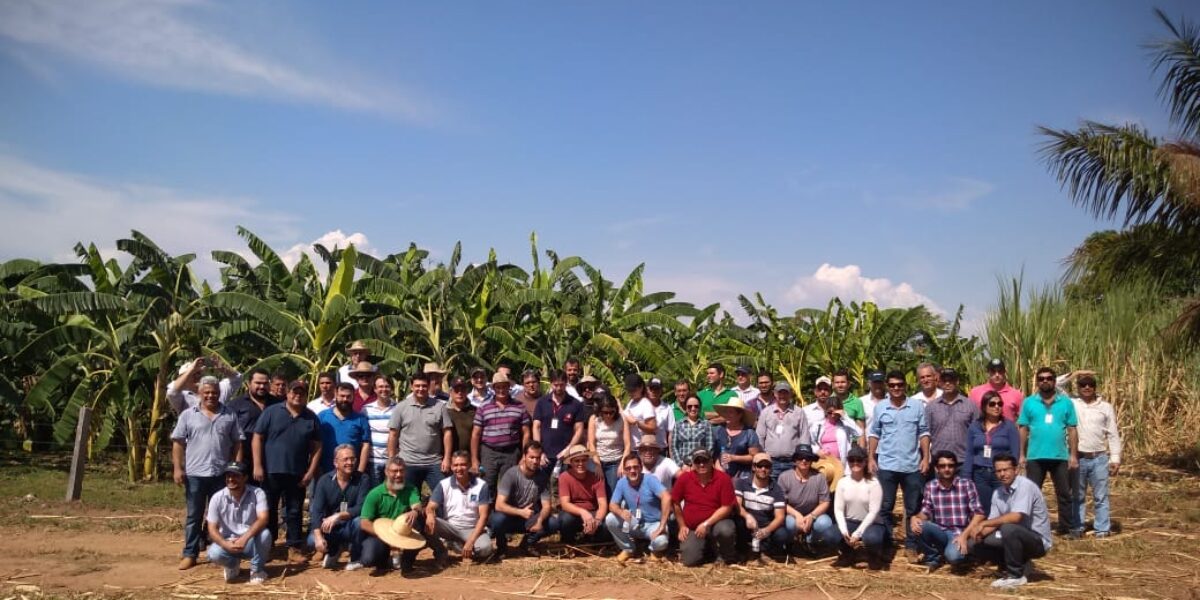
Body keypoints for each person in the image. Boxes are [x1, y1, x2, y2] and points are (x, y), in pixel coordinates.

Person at [172, 376, 243, 570]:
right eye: (207, 392)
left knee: (220, 516)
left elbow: (237, 442)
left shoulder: (229, 414)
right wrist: (178, 468)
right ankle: (190, 553)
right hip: (195, 474)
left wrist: (236, 467)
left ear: (219, 394)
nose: (211, 396)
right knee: (194, 516)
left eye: (214, 392)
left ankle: (218, 551)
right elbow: (178, 442)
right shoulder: (188, 415)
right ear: (200, 393)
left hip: (220, 474)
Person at [252, 380, 321, 564]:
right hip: (271, 471)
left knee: (294, 511)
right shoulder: (271, 412)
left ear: (306, 396)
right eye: (294, 392)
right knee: (269, 510)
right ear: (288, 393)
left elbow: (317, 447)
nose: (297, 395)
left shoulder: (311, 417)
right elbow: (257, 437)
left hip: (297, 473)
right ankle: (268, 546)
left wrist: (310, 472)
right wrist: (257, 465)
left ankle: (294, 547)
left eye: (301, 393)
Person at [867, 370, 930, 555]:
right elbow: (874, 434)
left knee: (913, 507)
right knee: (885, 506)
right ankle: (887, 544)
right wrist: (871, 457)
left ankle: (911, 545)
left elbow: (924, 433)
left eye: (900, 385)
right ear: (887, 386)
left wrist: (926, 457)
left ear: (905, 386)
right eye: (892, 385)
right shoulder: (881, 407)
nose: (896, 388)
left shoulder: (916, 406)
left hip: (912, 465)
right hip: (887, 464)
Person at [971, 453, 1053, 589]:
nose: (1002, 474)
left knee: (1008, 528)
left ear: (1016, 470)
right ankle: (1013, 565)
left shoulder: (1025, 486)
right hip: (1015, 536)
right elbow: (994, 522)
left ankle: (1015, 575)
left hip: (1037, 541)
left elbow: (1016, 517)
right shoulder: (998, 493)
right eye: (998, 471)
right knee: (976, 543)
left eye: (1006, 470)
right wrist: (978, 534)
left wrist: (983, 523)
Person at [1017, 367, 1080, 537]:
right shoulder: (1029, 402)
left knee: (1064, 493)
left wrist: (1073, 455)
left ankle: (1066, 527)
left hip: (1059, 456)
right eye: (1041, 378)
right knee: (1032, 493)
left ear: (1054, 381)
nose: (1045, 381)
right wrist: (1021, 454)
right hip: (1035, 456)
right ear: (1037, 382)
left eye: (1049, 378)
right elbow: (1023, 428)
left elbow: (1072, 429)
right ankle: (1030, 527)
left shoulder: (1066, 403)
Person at [911, 451, 985, 568]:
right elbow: (925, 511)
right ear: (936, 469)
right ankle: (932, 557)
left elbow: (979, 514)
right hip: (940, 531)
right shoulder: (931, 486)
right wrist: (915, 518)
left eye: (950, 466)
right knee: (918, 525)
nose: (947, 469)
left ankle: (953, 552)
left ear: (955, 468)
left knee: (954, 558)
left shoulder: (966, 485)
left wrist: (965, 535)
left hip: (959, 532)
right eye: (942, 466)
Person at [1069, 372, 1121, 538]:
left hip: (1099, 457)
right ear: (1077, 387)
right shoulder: (1072, 403)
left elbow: (1112, 434)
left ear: (1095, 387)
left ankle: (1102, 529)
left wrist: (1115, 458)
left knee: (1101, 496)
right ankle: (1077, 527)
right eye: (1082, 384)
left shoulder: (1105, 407)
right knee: (1077, 495)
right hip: (1078, 457)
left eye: (1090, 384)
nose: (1087, 387)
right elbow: (1055, 385)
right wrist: (1076, 374)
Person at [358, 456, 427, 574]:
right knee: (369, 559)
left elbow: (417, 505)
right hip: (380, 535)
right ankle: (384, 562)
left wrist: (415, 511)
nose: (398, 475)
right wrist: (387, 536)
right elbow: (364, 523)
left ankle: (407, 563)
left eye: (401, 471)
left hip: (401, 530)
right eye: (394, 471)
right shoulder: (375, 494)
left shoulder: (411, 489)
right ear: (386, 472)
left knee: (419, 520)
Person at [205, 461, 271, 584]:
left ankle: (257, 570)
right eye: (228, 476)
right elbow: (212, 528)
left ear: (245, 478)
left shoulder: (257, 493)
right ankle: (232, 565)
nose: (231, 479)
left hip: (250, 541)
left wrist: (244, 538)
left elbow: (263, 518)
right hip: (228, 541)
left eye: (236, 476)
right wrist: (225, 544)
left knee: (265, 535)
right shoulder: (216, 498)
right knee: (213, 554)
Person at [490, 442, 560, 557]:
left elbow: (547, 506)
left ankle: (528, 543)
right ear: (524, 456)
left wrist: (539, 520)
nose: (535, 461)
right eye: (531, 457)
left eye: (538, 458)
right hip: (510, 517)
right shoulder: (511, 474)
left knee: (553, 523)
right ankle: (502, 547)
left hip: (529, 518)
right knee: (497, 520)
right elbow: (499, 505)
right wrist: (520, 512)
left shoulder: (542, 477)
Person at [471, 372, 532, 504]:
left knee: (508, 486)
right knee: (487, 485)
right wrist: (474, 459)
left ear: (508, 387)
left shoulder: (519, 406)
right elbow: (476, 434)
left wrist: (524, 455)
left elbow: (526, 432)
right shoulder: (484, 407)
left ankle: (505, 513)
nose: (501, 390)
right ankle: (487, 513)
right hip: (489, 452)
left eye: (504, 387)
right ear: (493, 388)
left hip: (511, 452)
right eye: (498, 387)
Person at [388, 372, 453, 492]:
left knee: (444, 493)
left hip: (434, 462)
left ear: (428, 386)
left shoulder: (439, 407)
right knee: (408, 498)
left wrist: (447, 458)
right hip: (408, 462)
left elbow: (447, 432)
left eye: (424, 386)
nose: (420, 389)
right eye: (417, 386)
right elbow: (393, 434)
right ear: (411, 386)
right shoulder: (401, 407)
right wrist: (392, 459)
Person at [672, 448, 738, 567]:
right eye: (698, 461)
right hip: (693, 528)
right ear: (693, 464)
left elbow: (727, 507)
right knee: (690, 561)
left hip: (716, 524)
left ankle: (726, 556)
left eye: (705, 461)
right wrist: (682, 525)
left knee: (726, 530)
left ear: (711, 461)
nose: (701, 464)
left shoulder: (723, 478)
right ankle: (708, 549)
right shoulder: (685, 478)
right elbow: (675, 502)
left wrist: (706, 524)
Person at [425, 450, 493, 563]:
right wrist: (430, 514)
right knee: (426, 522)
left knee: (486, 549)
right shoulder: (444, 484)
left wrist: (471, 541)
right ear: (451, 467)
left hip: (472, 528)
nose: (459, 468)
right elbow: (430, 506)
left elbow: (484, 517)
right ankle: (441, 550)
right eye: (455, 465)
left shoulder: (481, 485)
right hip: (450, 527)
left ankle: (459, 545)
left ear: (469, 465)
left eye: (463, 464)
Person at [308, 444, 370, 569]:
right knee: (311, 540)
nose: (350, 463)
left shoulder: (363, 479)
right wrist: (318, 537)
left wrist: (338, 515)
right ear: (336, 462)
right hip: (330, 527)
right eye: (345, 459)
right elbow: (317, 511)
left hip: (350, 525)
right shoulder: (324, 481)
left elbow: (361, 507)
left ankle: (355, 558)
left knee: (359, 522)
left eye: (352, 459)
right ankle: (333, 551)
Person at [964, 390, 1022, 516]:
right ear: (984, 406)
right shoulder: (974, 427)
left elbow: (1015, 451)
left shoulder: (1009, 426)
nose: (997, 407)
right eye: (992, 404)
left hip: (1001, 473)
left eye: (999, 404)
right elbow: (969, 453)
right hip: (980, 474)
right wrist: (966, 476)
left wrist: (1013, 471)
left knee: (1002, 507)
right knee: (983, 508)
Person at [605, 453, 672, 562]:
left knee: (661, 542)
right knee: (610, 519)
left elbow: (667, 497)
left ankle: (653, 550)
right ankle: (628, 549)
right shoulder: (622, 483)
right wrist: (621, 512)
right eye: (628, 468)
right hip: (634, 521)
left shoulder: (650, 480)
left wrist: (662, 525)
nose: (632, 471)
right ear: (624, 471)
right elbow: (612, 505)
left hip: (653, 524)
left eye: (635, 467)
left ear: (641, 468)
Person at [778, 445, 840, 555]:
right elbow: (781, 503)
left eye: (807, 458)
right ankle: (790, 543)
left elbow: (825, 502)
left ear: (812, 461)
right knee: (789, 523)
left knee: (825, 523)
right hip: (792, 514)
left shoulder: (819, 477)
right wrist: (797, 515)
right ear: (795, 460)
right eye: (800, 457)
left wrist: (811, 516)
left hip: (813, 514)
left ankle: (810, 541)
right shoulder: (784, 477)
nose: (804, 460)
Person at [833, 446, 887, 569]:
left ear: (865, 462)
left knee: (872, 538)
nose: (855, 463)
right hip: (850, 521)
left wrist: (858, 533)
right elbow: (838, 509)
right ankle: (848, 553)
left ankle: (874, 556)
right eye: (851, 460)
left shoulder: (873, 483)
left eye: (859, 460)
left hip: (873, 523)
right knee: (829, 536)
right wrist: (844, 531)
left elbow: (874, 512)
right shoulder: (842, 482)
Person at [532, 369, 587, 484]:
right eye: (555, 385)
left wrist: (568, 449)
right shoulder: (542, 402)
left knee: (564, 487)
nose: (558, 388)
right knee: (541, 486)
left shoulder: (576, 404)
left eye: (561, 385)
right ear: (551, 383)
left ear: (566, 383)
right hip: (544, 454)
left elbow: (579, 430)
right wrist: (539, 451)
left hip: (566, 455)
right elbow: (536, 426)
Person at [227, 368, 280, 484]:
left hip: (272, 461)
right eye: (258, 383)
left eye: (265, 383)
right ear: (249, 383)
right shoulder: (236, 405)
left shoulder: (278, 404)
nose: (262, 386)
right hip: (245, 459)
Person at [925, 367, 979, 478]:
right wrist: (926, 458)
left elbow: (978, 433)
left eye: (951, 380)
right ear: (939, 383)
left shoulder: (970, 405)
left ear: (957, 381)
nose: (948, 383)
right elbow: (925, 434)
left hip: (964, 461)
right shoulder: (931, 407)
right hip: (940, 462)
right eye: (944, 380)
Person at [735, 452, 787, 562]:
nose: (763, 469)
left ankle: (769, 551)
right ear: (753, 467)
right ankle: (743, 550)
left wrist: (766, 531)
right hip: (747, 524)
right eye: (760, 466)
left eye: (767, 466)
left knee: (782, 534)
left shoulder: (776, 489)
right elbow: (737, 505)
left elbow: (780, 517)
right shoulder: (741, 483)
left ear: (771, 469)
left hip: (765, 525)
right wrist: (747, 516)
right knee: (737, 522)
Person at [756, 381, 811, 482]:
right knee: (771, 489)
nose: (782, 396)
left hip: (792, 462)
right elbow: (760, 436)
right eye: (779, 393)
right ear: (774, 394)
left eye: (785, 393)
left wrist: (802, 459)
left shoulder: (799, 412)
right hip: (771, 462)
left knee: (792, 489)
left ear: (790, 394)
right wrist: (762, 457)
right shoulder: (766, 412)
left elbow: (804, 437)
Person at [558, 444, 610, 547]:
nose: (580, 463)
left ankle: (591, 539)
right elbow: (565, 504)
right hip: (574, 513)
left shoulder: (596, 477)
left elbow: (603, 504)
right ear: (571, 462)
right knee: (565, 520)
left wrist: (596, 521)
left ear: (588, 461)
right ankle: (570, 542)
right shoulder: (564, 477)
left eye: (583, 460)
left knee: (607, 525)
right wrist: (583, 512)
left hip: (593, 513)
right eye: (577, 461)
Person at [316, 383, 370, 476]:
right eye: (342, 396)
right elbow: (315, 443)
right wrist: (316, 468)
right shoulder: (323, 416)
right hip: (325, 471)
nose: (345, 399)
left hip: (351, 470)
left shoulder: (361, 419)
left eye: (348, 396)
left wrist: (360, 471)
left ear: (353, 397)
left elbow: (366, 445)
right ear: (336, 395)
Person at [166, 354, 242, 415]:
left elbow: (237, 379)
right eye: (192, 374)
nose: (197, 376)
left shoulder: (217, 389)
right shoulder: (182, 397)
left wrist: (224, 370)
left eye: (198, 373)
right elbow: (172, 391)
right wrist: (191, 369)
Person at [809, 401, 861, 486]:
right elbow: (810, 442)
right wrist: (817, 451)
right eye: (830, 412)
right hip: (825, 464)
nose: (833, 415)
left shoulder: (845, 425)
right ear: (826, 411)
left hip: (841, 464)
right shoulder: (818, 425)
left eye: (835, 413)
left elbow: (858, 433)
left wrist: (845, 416)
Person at [588, 393, 630, 496]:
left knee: (612, 492)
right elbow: (591, 444)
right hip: (597, 459)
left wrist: (622, 463)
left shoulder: (622, 419)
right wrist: (597, 464)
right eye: (605, 412)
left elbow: (628, 444)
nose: (608, 415)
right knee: (596, 490)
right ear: (600, 411)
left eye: (611, 412)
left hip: (615, 460)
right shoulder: (594, 419)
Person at [713, 397, 762, 483]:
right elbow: (713, 453)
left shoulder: (749, 433)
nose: (727, 415)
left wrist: (734, 458)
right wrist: (717, 466)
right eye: (726, 412)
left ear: (739, 415)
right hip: (720, 474)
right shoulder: (718, 430)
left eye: (731, 412)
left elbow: (755, 457)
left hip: (742, 476)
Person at [624, 373, 674, 450]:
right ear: (647, 389)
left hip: (656, 448)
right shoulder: (632, 402)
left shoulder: (666, 408)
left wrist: (636, 423)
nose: (654, 391)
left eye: (657, 389)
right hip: (636, 448)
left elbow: (667, 432)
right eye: (651, 389)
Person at [364, 377, 396, 486]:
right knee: (375, 492)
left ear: (392, 389)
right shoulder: (366, 409)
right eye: (380, 387)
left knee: (392, 491)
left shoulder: (398, 409)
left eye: (387, 386)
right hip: (373, 461)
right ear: (375, 389)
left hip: (392, 460)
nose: (384, 389)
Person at [969, 358, 1024, 423]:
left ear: (1004, 373)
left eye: (1000, 371)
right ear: (988, 373)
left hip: (1008, 429)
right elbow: (969, 416)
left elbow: (1023, 420)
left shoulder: (1016, 394)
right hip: (982, 429)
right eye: (993, 371)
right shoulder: (975, 393)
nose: (997, 375)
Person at [672, 395, 714, 469]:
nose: (693, 408)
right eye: (689, 406)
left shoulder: (706, 424)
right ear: (685, 408)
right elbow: (674, 447)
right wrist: (682, 465)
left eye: (696, 406)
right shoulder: (678, 424)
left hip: (701, 465)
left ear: (699, 408)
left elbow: (710, 447)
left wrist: (700, 464)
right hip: (683, 466)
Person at [446, 376, 476, 454]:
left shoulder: (475, 411)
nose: (460, 393)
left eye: (462, 390)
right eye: (456, 390)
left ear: (467, 392)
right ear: (450, 392)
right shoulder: (444, 411)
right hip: (450, 456)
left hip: (469, 456)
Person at [851, 370, 886, 436]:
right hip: (868, 441)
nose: (878, 385)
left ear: (885, 383)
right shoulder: (861, 402)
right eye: (875, 382)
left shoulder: (892, 400)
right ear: (869, 383)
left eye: (880, 382)